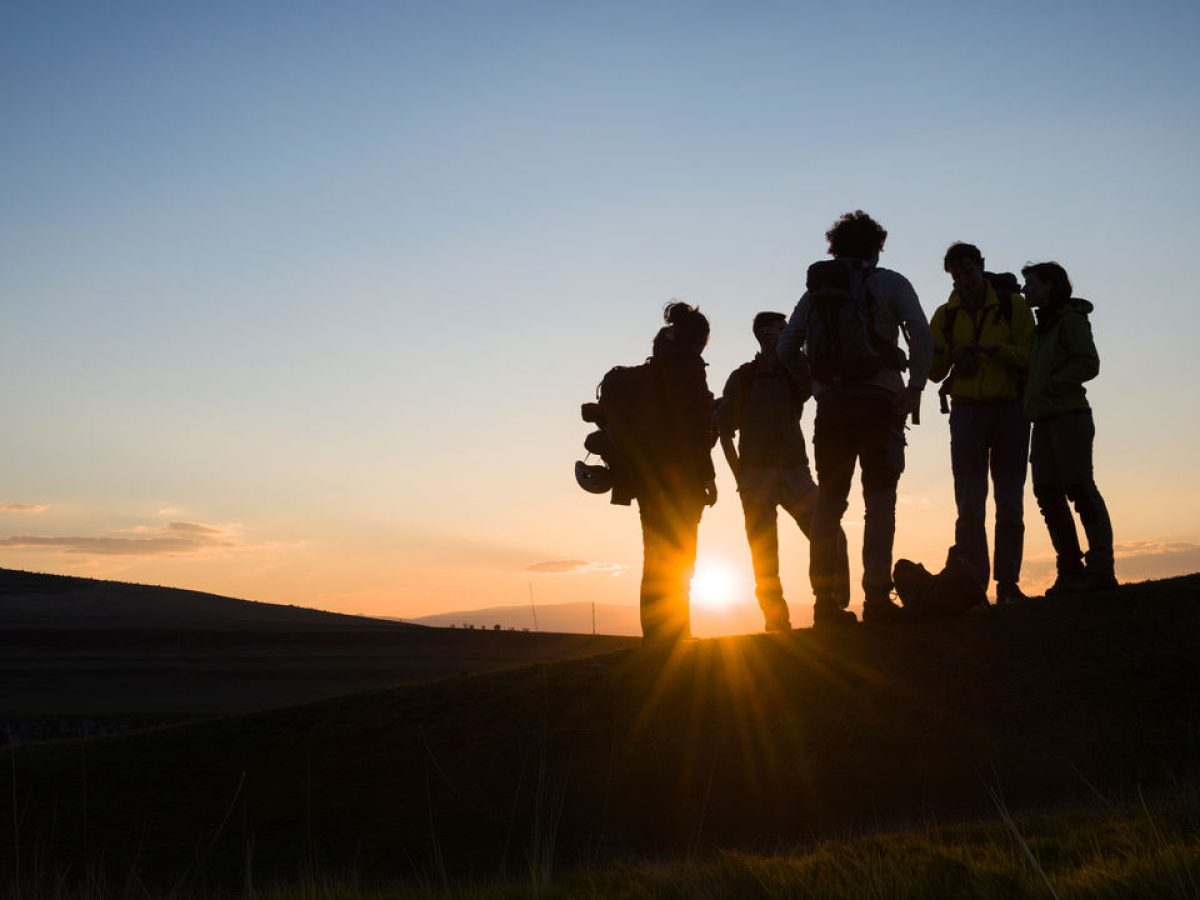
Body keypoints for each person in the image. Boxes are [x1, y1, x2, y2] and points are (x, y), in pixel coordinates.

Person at [778, 210, 932, 626]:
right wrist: (916, 385)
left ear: (835, 246)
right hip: (881, 402)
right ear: (876, 247)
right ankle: (877, 600)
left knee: (829, 503)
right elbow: (919, 331)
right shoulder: (890, 282)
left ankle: (824, 602)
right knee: (879, 501)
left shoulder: (816, 294)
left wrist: (815, 385)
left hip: (833, 407)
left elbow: (786, 345)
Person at [716, 312, 848, 632]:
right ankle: (775, 619)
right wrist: (740, 477)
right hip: (756, 476)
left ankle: (831, 604)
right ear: (758, 335)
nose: (774, 335)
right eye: (770, 330)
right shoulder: (742, 377)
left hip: (794, 471)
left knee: (828, 531)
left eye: (781, 330)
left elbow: (810, 386)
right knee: (764, 553)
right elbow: (723, 429)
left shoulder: (796, 371)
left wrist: (793, 354)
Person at [929, 243, 1035, 604]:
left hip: (1010, 411)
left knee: (1009, 502)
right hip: (967, 413)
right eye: (957, 275)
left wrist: (997, 351)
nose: (963, 280)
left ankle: (1007, 585)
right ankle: (975, 587)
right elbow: (932, 370)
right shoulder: (944, 315)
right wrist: (951, 355)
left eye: (968, 272)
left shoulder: (1013, 307)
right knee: (970, 506)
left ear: (981, 268)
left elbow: (1031, 357)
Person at [1021, 262, 1117, 594]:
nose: (1025, 289)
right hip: (1044, 419)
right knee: (1047, 493)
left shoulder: (1070, 321)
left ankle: (1102, 570)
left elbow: (1088, 362)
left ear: (1049, 285)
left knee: (1078, 488)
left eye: (1030, 283)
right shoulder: (1040, 330)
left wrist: (1052, 386)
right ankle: (1071, 570)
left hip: (1069, 415)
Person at [634, 302, 719, 644]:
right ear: (699, 339)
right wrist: (708, 477)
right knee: (681, 558)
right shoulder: (688, 369)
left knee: (655, 557)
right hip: (681, 479)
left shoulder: (653, 368)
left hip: (647, 479)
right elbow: (694, 430)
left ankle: (656, 635)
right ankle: (678, 633)